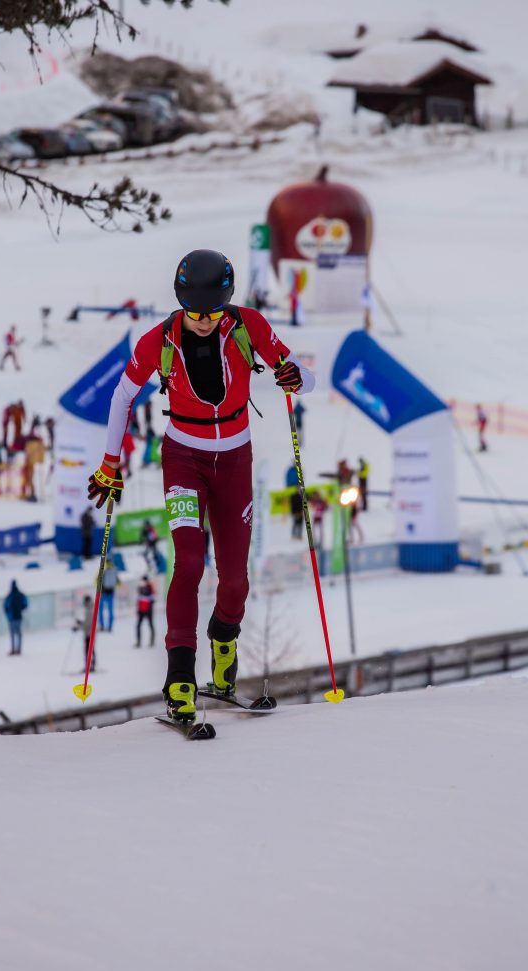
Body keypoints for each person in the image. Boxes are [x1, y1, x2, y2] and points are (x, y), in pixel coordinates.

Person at [87, 248, 315, 723]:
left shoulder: (248, 326)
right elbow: (122, 395)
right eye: (195, 312)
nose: (205, 321)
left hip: (234, 460)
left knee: (234, 576)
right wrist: (111, 464)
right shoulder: (160, 339)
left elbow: (304, 377)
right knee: (188, 561)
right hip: (183, 460)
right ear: (181, 304)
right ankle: (180, 682)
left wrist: (295, 376)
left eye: (213, 312)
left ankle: (225, 643)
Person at [3, 580, 28, 655]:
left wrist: (7, 613)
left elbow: (5, 606)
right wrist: (21, 609)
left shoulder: (10, 596)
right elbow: (25, 604)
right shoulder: (20, 595)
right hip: (18, 616)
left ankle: (14, 649)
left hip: (12, 617)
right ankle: (18, 649)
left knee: (13, 634)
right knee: (18, 633)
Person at [75, 594, 96, 672]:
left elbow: (88, 623)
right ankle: (90, 665)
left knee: (89, 650)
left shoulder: (89, 611)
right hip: (88, 633)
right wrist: (80, 623)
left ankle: (91, 666)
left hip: (89, 634)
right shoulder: (89, 609)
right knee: (88, 650)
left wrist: (79, 626)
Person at [135, 575, 156, 647]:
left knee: (150, 624)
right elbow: (138, 599)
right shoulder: (140, 587)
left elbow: (153, 599)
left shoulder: (150, 587)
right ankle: (138, 642)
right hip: (141, 609)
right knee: (138, 625)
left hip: (148, 609)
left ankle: (152, 641)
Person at [100, 557, 118, 632]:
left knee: (101, 610)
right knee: (110, 611)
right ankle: (110, 626)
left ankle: (102, 626)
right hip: (111, 593)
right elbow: (118, 582)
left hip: (103, 593)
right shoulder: (114, 570)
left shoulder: (104, 570)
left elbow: (97, 581)